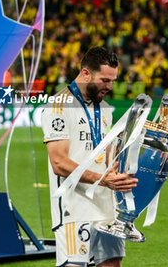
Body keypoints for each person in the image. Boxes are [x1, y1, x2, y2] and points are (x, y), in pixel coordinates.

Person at [41, 47, 138, 267]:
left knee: (111, 263)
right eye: (105, 80)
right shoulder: (58, 106)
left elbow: (105, 155)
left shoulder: (104, 109)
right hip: (74, 208)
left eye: (113, 81)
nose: (110, 86)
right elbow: (59, 163)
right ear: (86, 74)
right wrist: (103, 179)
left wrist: (119, 163)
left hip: (106, 206)